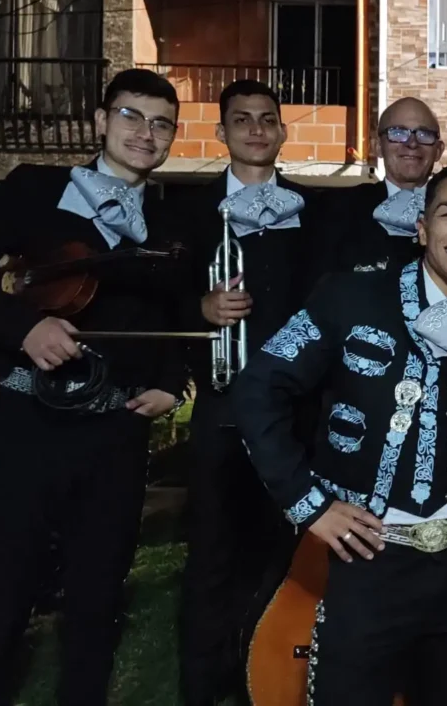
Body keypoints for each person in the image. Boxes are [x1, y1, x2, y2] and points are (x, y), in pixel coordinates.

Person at [0, 68, 188, 705]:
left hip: (117, 432)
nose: (146, 133)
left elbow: (179, 318)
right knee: (4, 594)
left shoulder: (165, 226)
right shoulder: (36, 188)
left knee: (96, 599)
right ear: (103, 120)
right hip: (32, 418)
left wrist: (171, 384)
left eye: (162, 123)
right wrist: (23, 328)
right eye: (132, 116)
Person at [231, 160, 447, 705]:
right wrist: (308, 504)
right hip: (370, 558)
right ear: (422, 227)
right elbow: (257, 389)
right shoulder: (348, 297)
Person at [172, 79, 323, 706]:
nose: (257, 130)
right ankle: (205, 692)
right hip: (221, 407)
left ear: (283, 131)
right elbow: (160, 297)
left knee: (283, 553)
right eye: (242, 120)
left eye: (268, 119)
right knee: (212, 555)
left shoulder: (317, 213)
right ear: (222, 133)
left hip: (293, 415)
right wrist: (198, 307)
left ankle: (269, 683)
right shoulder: (186, 210)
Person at [315, 97, 445, 275]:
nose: (412, 143)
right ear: (377, 147)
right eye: (398, 133)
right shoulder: (337, 209)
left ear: (438, 150)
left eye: (424, 134)